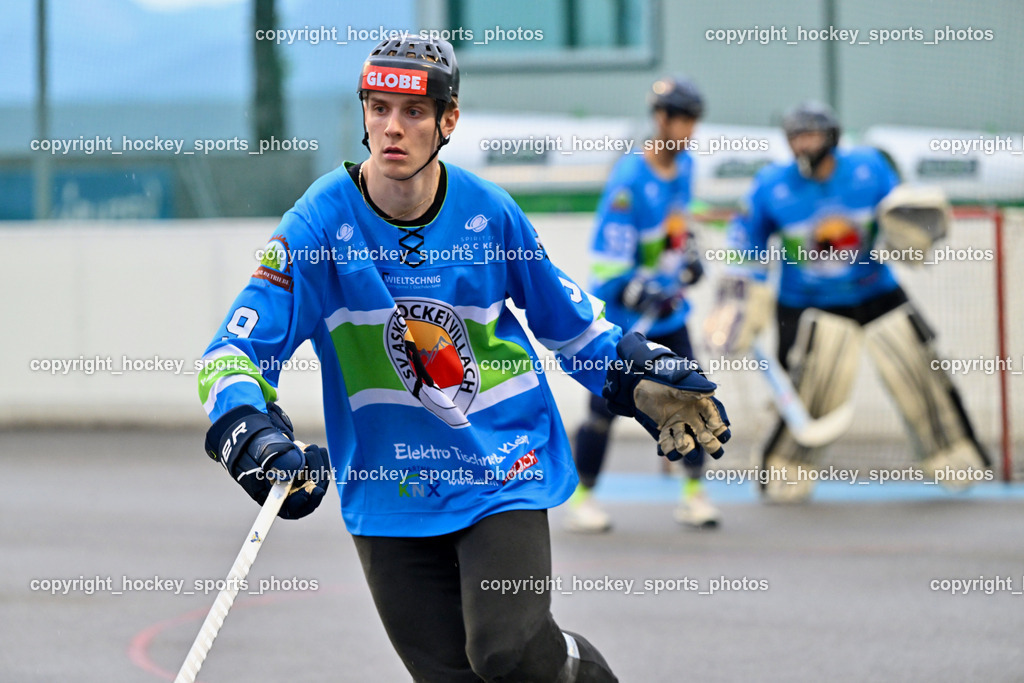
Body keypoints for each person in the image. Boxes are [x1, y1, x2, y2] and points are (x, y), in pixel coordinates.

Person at [197, 37, 731, 682]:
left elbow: (572, 326)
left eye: (414, 112)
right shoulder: (316, 225)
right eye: (378, 107)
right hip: (388, 483)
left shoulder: (489, 212)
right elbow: (233, 350)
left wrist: (631, 373)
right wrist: (246, 429)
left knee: (509, 653)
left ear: (448, 120)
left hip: (500, 466)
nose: (392, 127)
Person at [704, 101, 988, 503]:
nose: (802, 144)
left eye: (811, 134)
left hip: (875, 291)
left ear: (832, 136)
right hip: (807, 303)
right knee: (813, 389)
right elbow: (744, 239)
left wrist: (913, 230)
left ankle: (955, 456)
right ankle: (784, 472)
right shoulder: (772, 184)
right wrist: (736, 296)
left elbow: (899, 213)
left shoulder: (868, 168)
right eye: (795, 136)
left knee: (919, 369)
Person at [566, 76, 719, 533]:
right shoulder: (629, 180)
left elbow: (679, 226)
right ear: (661, 118)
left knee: (692, 393)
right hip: (628, 320)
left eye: (694, 120)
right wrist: (639, 289)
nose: (689, 130)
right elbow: (608, 267)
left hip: (670, 312)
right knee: (604, 409)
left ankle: (694, 495)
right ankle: (583, 498)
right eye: (682, 119)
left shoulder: (685, 166)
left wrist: (688, 256)